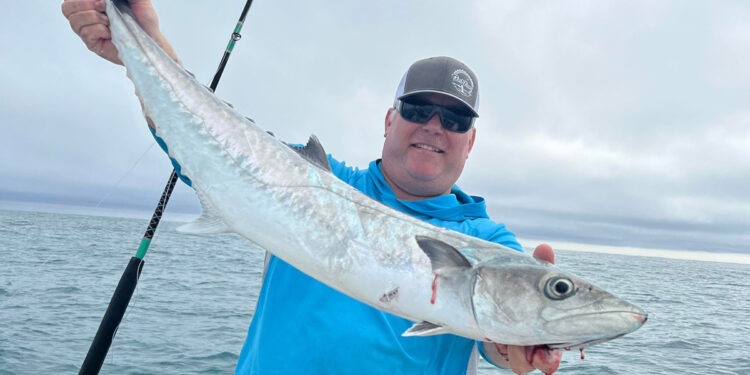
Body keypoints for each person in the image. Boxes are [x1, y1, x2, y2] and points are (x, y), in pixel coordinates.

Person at [62, 1, 561, 374]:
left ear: (469, 143)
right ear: (388, 120)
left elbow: (494, 338)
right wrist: (141, 43)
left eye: (453, 119)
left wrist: (513, 342)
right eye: (416, 110)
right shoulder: (319, 182)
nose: (433, 126)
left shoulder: (490, 246)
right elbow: (211, 145)